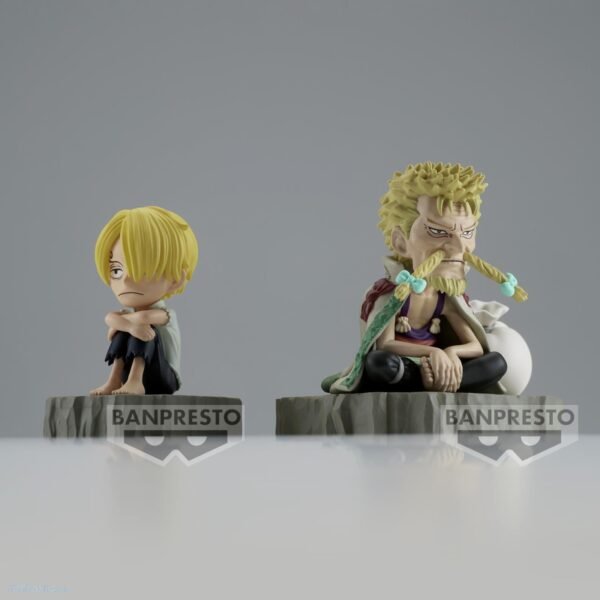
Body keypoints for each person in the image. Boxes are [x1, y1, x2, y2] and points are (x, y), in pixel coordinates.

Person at [322, 162, 529, 395]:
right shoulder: (392, 293)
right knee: (379, 363)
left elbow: (476, 346)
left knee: (496, 363)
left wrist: (451, 353)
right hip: (408, 364)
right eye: (438, 232)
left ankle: (440, 382)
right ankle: (427, 382)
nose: (458, 247)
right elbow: (384, 344)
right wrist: (433, 353)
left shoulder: (447, 297)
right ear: (401, 242)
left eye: (467, 233)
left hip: (444, 367)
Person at [90, 206, 198, 396]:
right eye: (116, 270)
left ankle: (135, 381)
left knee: (145, 330)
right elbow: (110, 319)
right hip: (129, 372)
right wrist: (126, 326)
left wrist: (123, 324)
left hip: (163, 378)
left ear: (176, 280)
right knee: (129, 330)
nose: (125, 280)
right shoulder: (129, 315)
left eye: (140, 272)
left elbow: (144, 318)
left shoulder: (166, 315)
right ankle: (114, 379)